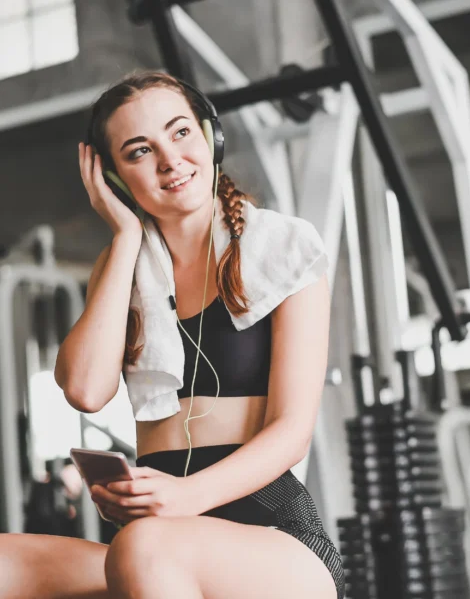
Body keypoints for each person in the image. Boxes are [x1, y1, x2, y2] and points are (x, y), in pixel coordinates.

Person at [0, 71, 344, 599]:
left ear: (210, 137)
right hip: (157, 539)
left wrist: (184, 498)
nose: (169, 159)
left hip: (274, 537)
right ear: (114, 178)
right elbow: (85, 390)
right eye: (139, 151)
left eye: (181, 132)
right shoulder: (122, 267)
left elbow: (292, 431)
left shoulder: (287, 249)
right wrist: (125, 236)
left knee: (144, 548)